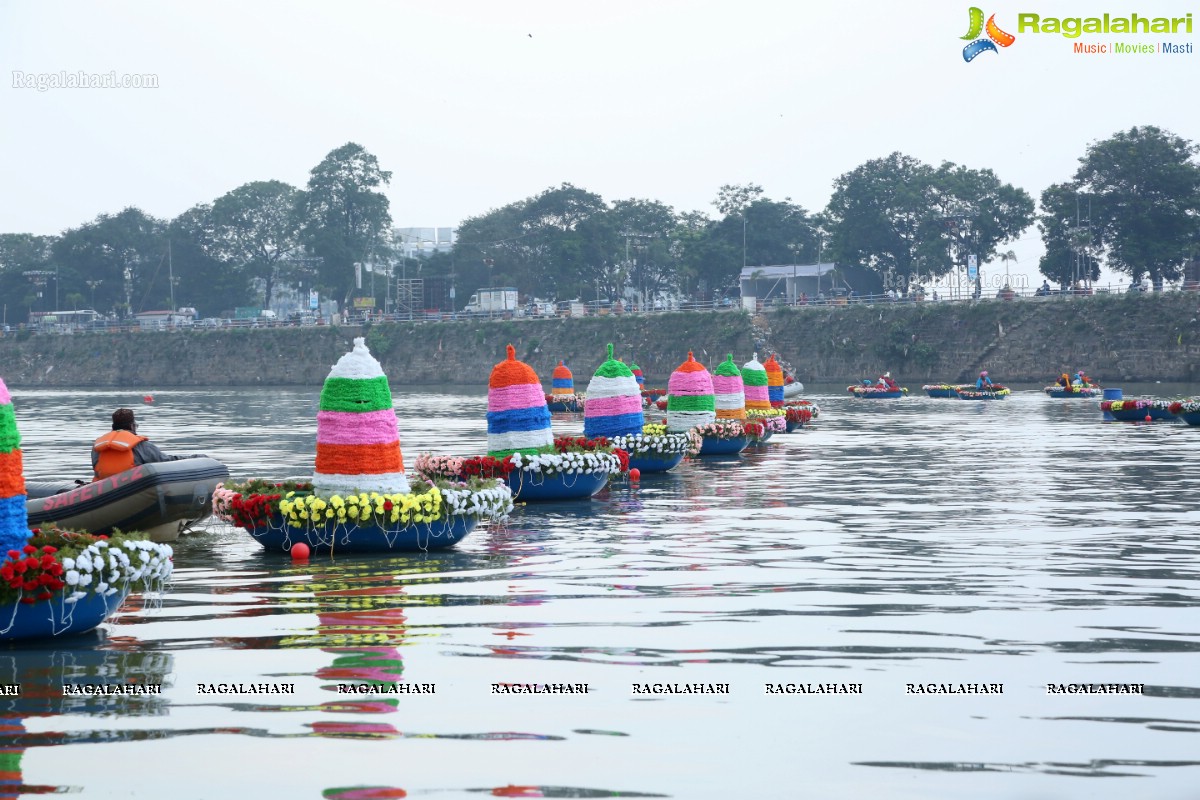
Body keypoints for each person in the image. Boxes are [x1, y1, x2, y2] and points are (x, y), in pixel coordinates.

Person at [92, 408, 204, 481]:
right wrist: (195, 458)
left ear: (112, 428)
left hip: (104, 493)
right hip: (133, 492)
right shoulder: (142, 446)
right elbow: (166, 462)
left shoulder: (97, 448)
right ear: (132, 426)